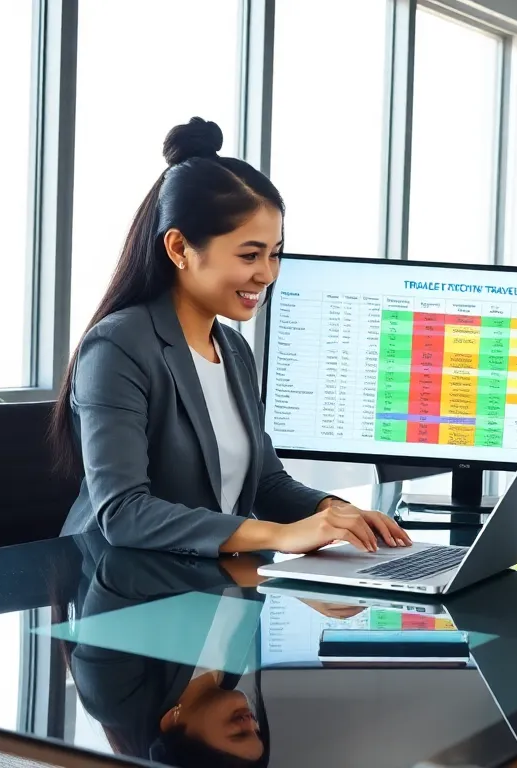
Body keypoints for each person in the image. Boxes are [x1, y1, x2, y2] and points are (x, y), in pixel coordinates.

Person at [53, 117, 410, 558]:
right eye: (250, 254)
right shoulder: (118, 346)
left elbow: (266, 482)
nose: (267, 274)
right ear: (179, 248)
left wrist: (337, 512)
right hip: (120, 591)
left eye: (275, 254)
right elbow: (124, 512)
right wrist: (280, 536)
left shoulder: (233, 348)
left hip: (207, 587)